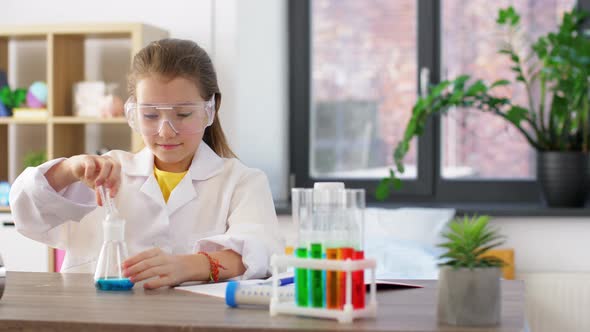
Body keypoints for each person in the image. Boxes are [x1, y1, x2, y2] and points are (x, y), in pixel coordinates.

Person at [9, 38, 283, 289]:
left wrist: (187, 265)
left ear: (210, 109)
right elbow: (26, 212)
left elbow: (261, 253)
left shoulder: (241, 181)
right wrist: (68, 170)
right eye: (150, 115)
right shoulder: (106, 173)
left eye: (184, 114)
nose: (166, 131)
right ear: (133, 111)